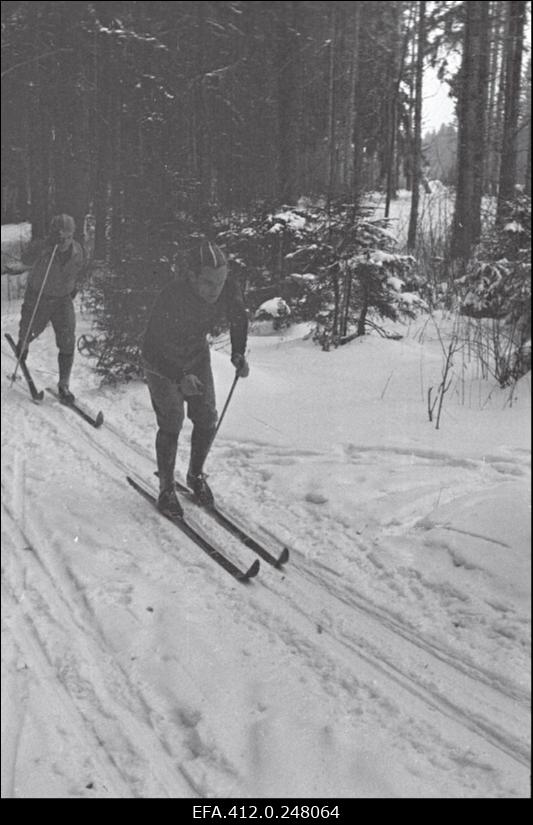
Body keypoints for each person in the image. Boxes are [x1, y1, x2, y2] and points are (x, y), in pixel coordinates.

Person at [142, 235, 249, 518]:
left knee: (206, 416)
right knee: (172, 419)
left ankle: (195, 475)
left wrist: (238, 352)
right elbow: (152, 345)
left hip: (195, 353)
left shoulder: (226, 288)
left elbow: (238, 316)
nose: (216, 290)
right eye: (208, 283)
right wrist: (179, 377)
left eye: (221, 281)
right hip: (161, 360)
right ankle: (166, 489)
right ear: (192, 277)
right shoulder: (172, 296)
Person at [15, 213, 85, 403]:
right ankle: (23, 346)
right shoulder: (44, 247)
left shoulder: (77, 250)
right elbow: (26, 259)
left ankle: (64, 384)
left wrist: (73, 287)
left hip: (62, 300)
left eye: (69, 236)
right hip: (39, 296)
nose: (65, 241)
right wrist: (46, 245)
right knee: (29, 330)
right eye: (61, 236)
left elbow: (77, 270)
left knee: (67, 338)